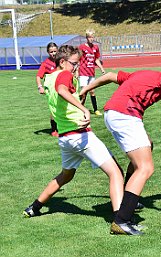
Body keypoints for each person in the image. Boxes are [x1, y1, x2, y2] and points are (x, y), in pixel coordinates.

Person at [23, 45, 125, 235]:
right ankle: (121, 220)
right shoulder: (64, 75)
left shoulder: (49, 77)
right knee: (116, 172)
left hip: (65, 138)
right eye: (74, 64)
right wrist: (84, 108)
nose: (76, 67)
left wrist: (79, 95)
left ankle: (34, 207)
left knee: (66, 176)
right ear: (62, 62)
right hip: (80, 135)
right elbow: (62, 90)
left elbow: (59, 97)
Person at [80, 69, 161, 235]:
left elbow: (111, 76)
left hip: (116, 114)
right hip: (124, 115)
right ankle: (121, 221)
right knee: (145, 168)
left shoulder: (143, 75)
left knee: (148, 145)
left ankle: (127, 202)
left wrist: (86, 89)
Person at [79, 28, 105, 116]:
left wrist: (101, 68)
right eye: (89, 37)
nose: (91, 39)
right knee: (83, 92)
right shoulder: (82, 47)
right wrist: (75, 71)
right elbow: (78, 59)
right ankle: (80, 110)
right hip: (83, 73)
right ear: (86, 37)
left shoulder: (95, 48)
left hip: (91, 73)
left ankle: (96, 109)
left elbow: (96, 59)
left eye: (92, 37)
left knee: (92, 91)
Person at [36, 42, 59, 137]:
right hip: (51, 90)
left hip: (62, 88)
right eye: (51, 52)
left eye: (55, 51)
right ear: (48, 52)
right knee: (54, 109)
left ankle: (64, 128)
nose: (53, 53)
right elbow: (38, 76)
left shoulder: (61, 60)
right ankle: (54, 130)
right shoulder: (45, 63)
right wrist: (40, 87)